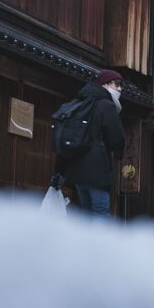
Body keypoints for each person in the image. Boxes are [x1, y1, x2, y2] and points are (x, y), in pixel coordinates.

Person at [55, 69, 125, 219]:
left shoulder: (79, 103)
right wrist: (118, 152)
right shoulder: (106, 105)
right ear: (105, 85)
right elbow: (116, 137)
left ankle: (86, 242)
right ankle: (98, 243)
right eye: (117, 84)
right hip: (97, 168)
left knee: (86, 214)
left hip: (76, 168)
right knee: (100, 213)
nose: (120, 89)